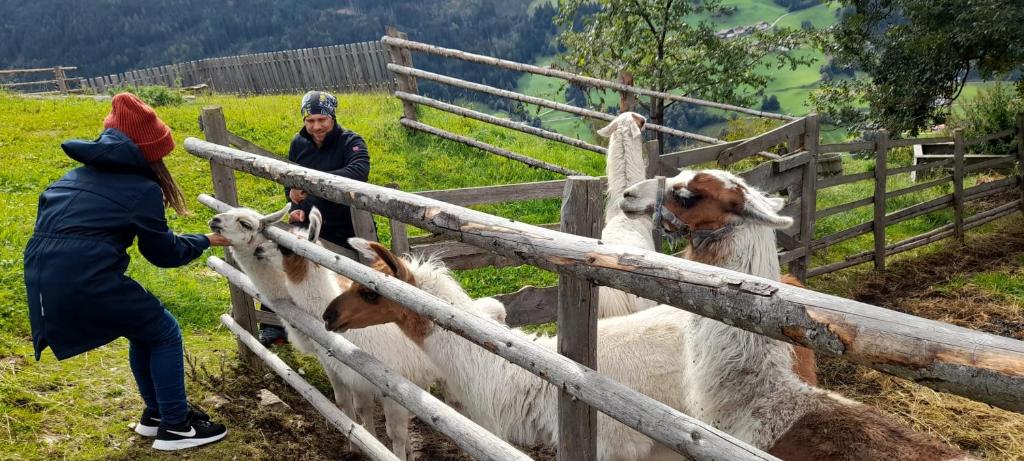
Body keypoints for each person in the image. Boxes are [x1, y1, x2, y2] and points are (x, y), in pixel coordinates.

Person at [23, 93, 231, 451]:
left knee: (143, 329)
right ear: (148, 152)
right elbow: (162, 253)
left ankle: (156, 414)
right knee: (165, 332)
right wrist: (208, 240)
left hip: (43, 276)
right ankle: (177, 428)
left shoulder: (72, 178)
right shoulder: (140, 188)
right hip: (86, 279)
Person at [258, 90, 372, 346]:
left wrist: (309, 185)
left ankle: (354, 330)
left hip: (345, 224)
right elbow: (290, 180)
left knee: (351, 278)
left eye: (322, 120)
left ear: (332, 117)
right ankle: (273, 326)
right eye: (310, 121)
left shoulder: (351, 142)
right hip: (308, 220)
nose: (316, 126)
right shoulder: (298, 143)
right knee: (279, 260)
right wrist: (293, 196)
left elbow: (358, 172)